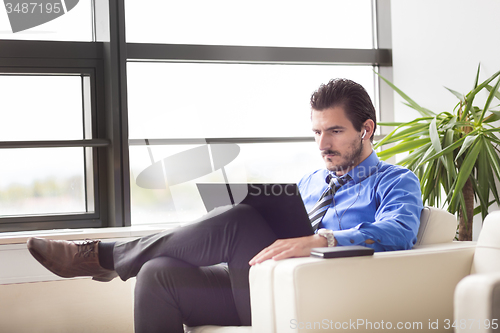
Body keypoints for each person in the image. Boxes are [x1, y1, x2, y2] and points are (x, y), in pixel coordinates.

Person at [27, 78, 423, 333]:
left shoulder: (395, 181)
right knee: (157, 272)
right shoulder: (309, 182)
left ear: (366, 128)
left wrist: (321, 239)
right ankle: (121, 259)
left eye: (335, 131)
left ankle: (104, 256)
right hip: (257, 287)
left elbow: (399, 233)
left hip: (314, 296)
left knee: (241, 220)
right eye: (317, 132)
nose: (322, 145)